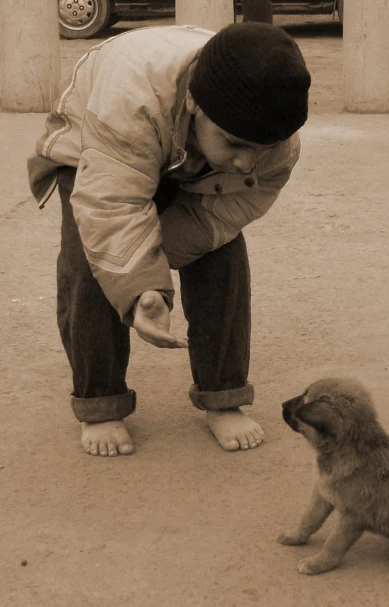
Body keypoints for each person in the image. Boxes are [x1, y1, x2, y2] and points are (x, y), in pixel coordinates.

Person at [27, 22, 311, 457]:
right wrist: (136, 282)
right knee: (95, 260)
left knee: (223, 255)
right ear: (195, 102)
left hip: (188, 162)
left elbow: (225, 213)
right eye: (235, 143)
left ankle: (223, 396)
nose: (246, 162)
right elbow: (111, 206)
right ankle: (100, 403)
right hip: (97, 145)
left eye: (261, 147)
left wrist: (151, 278)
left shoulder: (278, 146)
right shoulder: (129, 94)